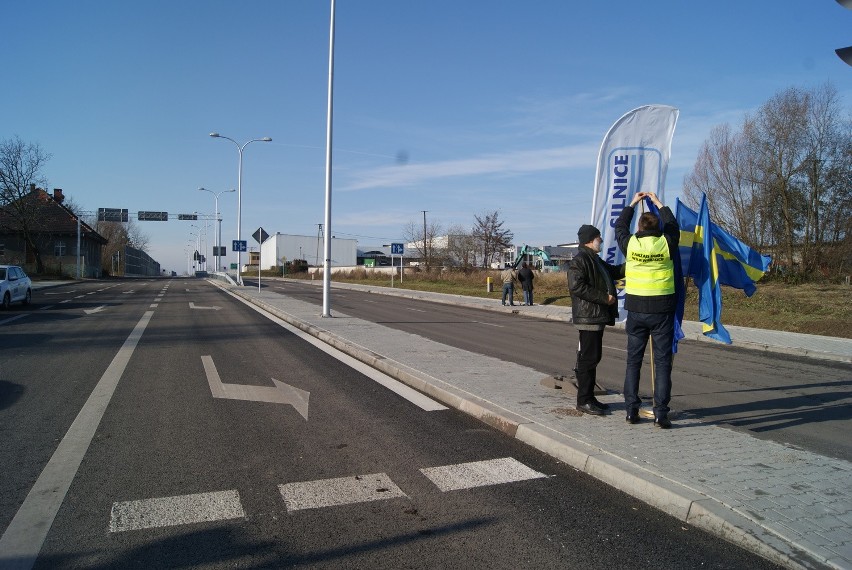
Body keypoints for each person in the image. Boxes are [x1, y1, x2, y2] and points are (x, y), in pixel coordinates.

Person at [614, 191, 679, 428]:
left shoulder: (630, 244)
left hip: (636, 309)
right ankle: (661, 414)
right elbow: (672, 224)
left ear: (639, 228)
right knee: (662, 364)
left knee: (633, 361)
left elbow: (620, 226)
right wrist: (659, 202)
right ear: (658, 227)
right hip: (662, 309)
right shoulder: (666, 243)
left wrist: (632, 203)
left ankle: (631, 411)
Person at [567, 224, 625, 416]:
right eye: (598, 237)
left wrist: (635, 261)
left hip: (595, 316)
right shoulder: (580, 260)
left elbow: (615, 272)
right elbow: (576, 287)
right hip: (588, 317)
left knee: (593, 357)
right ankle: (583, 400)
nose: (601, 240)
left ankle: (589, 397)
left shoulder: (595, 259)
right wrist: (604, 297)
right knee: (588, 358)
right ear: (590, 240)